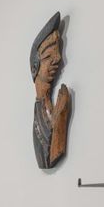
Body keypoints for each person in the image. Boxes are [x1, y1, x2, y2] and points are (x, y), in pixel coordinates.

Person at [31, 12, 71, 169]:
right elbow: (48, 152)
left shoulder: (44, 107)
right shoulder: (39, 110)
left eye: (58, 53)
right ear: (35, 68)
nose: (58, 59)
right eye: (48, 56)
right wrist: (60, 115)